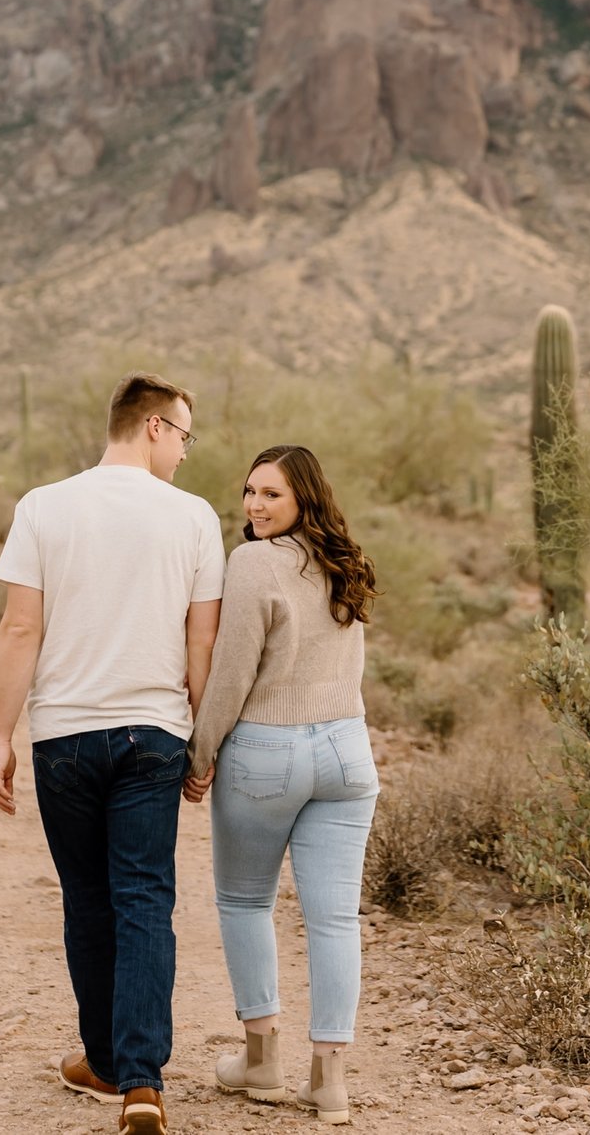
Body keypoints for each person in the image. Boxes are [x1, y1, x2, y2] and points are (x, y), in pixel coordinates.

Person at [0, 373, 224, 1135]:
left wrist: (0, 735)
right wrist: (202, 736)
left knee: (88, 898)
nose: (186, 453)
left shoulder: (42, 506)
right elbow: (203, 638)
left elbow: (20, 630)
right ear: (154, 426)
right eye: (185, 436)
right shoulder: (192, 518)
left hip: (63, 735)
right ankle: (142, 1084)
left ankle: (104, 1058)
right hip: (153, 732)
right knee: (145, 899)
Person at [185, 443, 379, 1127]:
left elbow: (232, 672)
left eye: (272, 495)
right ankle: (329, 1080)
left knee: (244, 903)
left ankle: (262, 1061)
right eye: (250, 492)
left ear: (304, 500)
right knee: (333, 919)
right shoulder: (343, 559)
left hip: (267, 752)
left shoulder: (254, 562)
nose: (255, 506)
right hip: (348, 753)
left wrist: (200, 752)